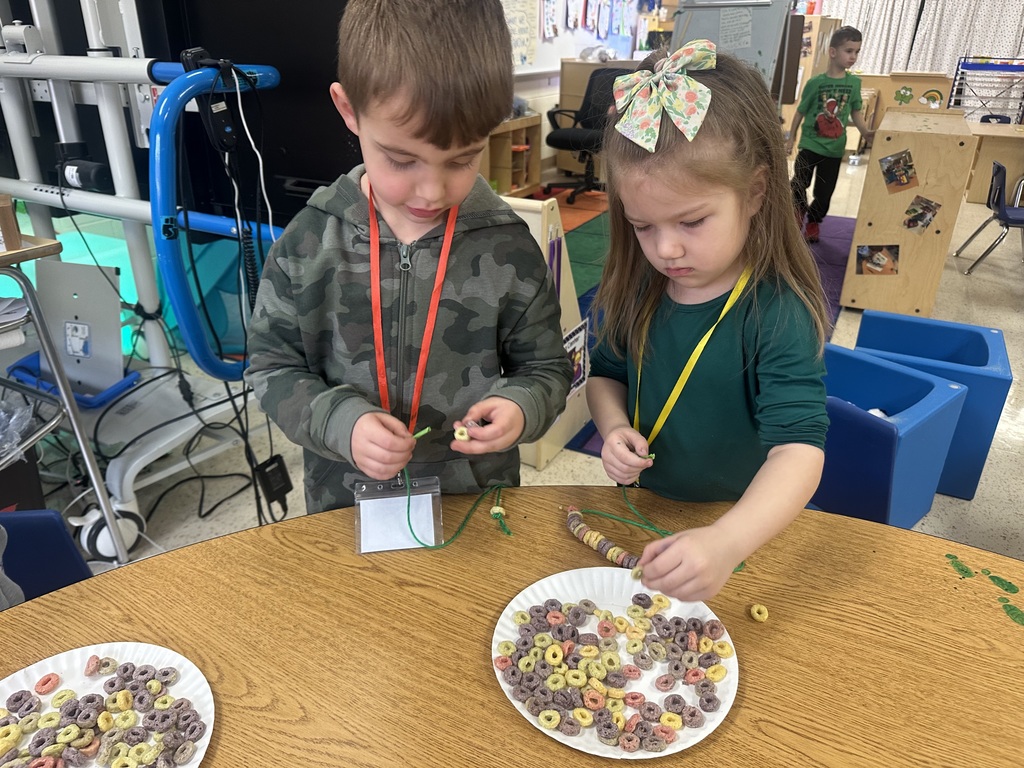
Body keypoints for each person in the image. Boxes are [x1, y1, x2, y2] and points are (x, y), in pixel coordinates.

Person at [244, 0, 572, 514]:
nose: (432, 190)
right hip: (345, 501)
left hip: (474, 502)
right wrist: (340, 423)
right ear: (349, 109)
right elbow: (270, 367)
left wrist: (521, 406)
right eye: (401, 159)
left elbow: (548, 368)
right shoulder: (309, 241)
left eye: (463, 159)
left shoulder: (508, 245)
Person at [586, 41, 830, 602]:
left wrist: (726, 541)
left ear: (756, 193)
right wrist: (611, 427)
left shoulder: (775, 311)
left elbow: (800, 451)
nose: (666, 248)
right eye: (643, 226)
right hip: (645, 512)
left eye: (692, 220)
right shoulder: (640, 287)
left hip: (739, 530)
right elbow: (604, 374)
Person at [786, 26, 874, 243]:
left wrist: (866, 133)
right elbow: (800, 111)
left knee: (824, 193)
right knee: (799, 184)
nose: (853, 57)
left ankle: (814, 222)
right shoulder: (816, 83)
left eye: (856, 52)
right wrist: (791, 137)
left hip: (834, 149)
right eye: (848, 51)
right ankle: (797, 215)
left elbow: (855, 111)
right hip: (810, 144)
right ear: (833, 52)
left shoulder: (854, 83)